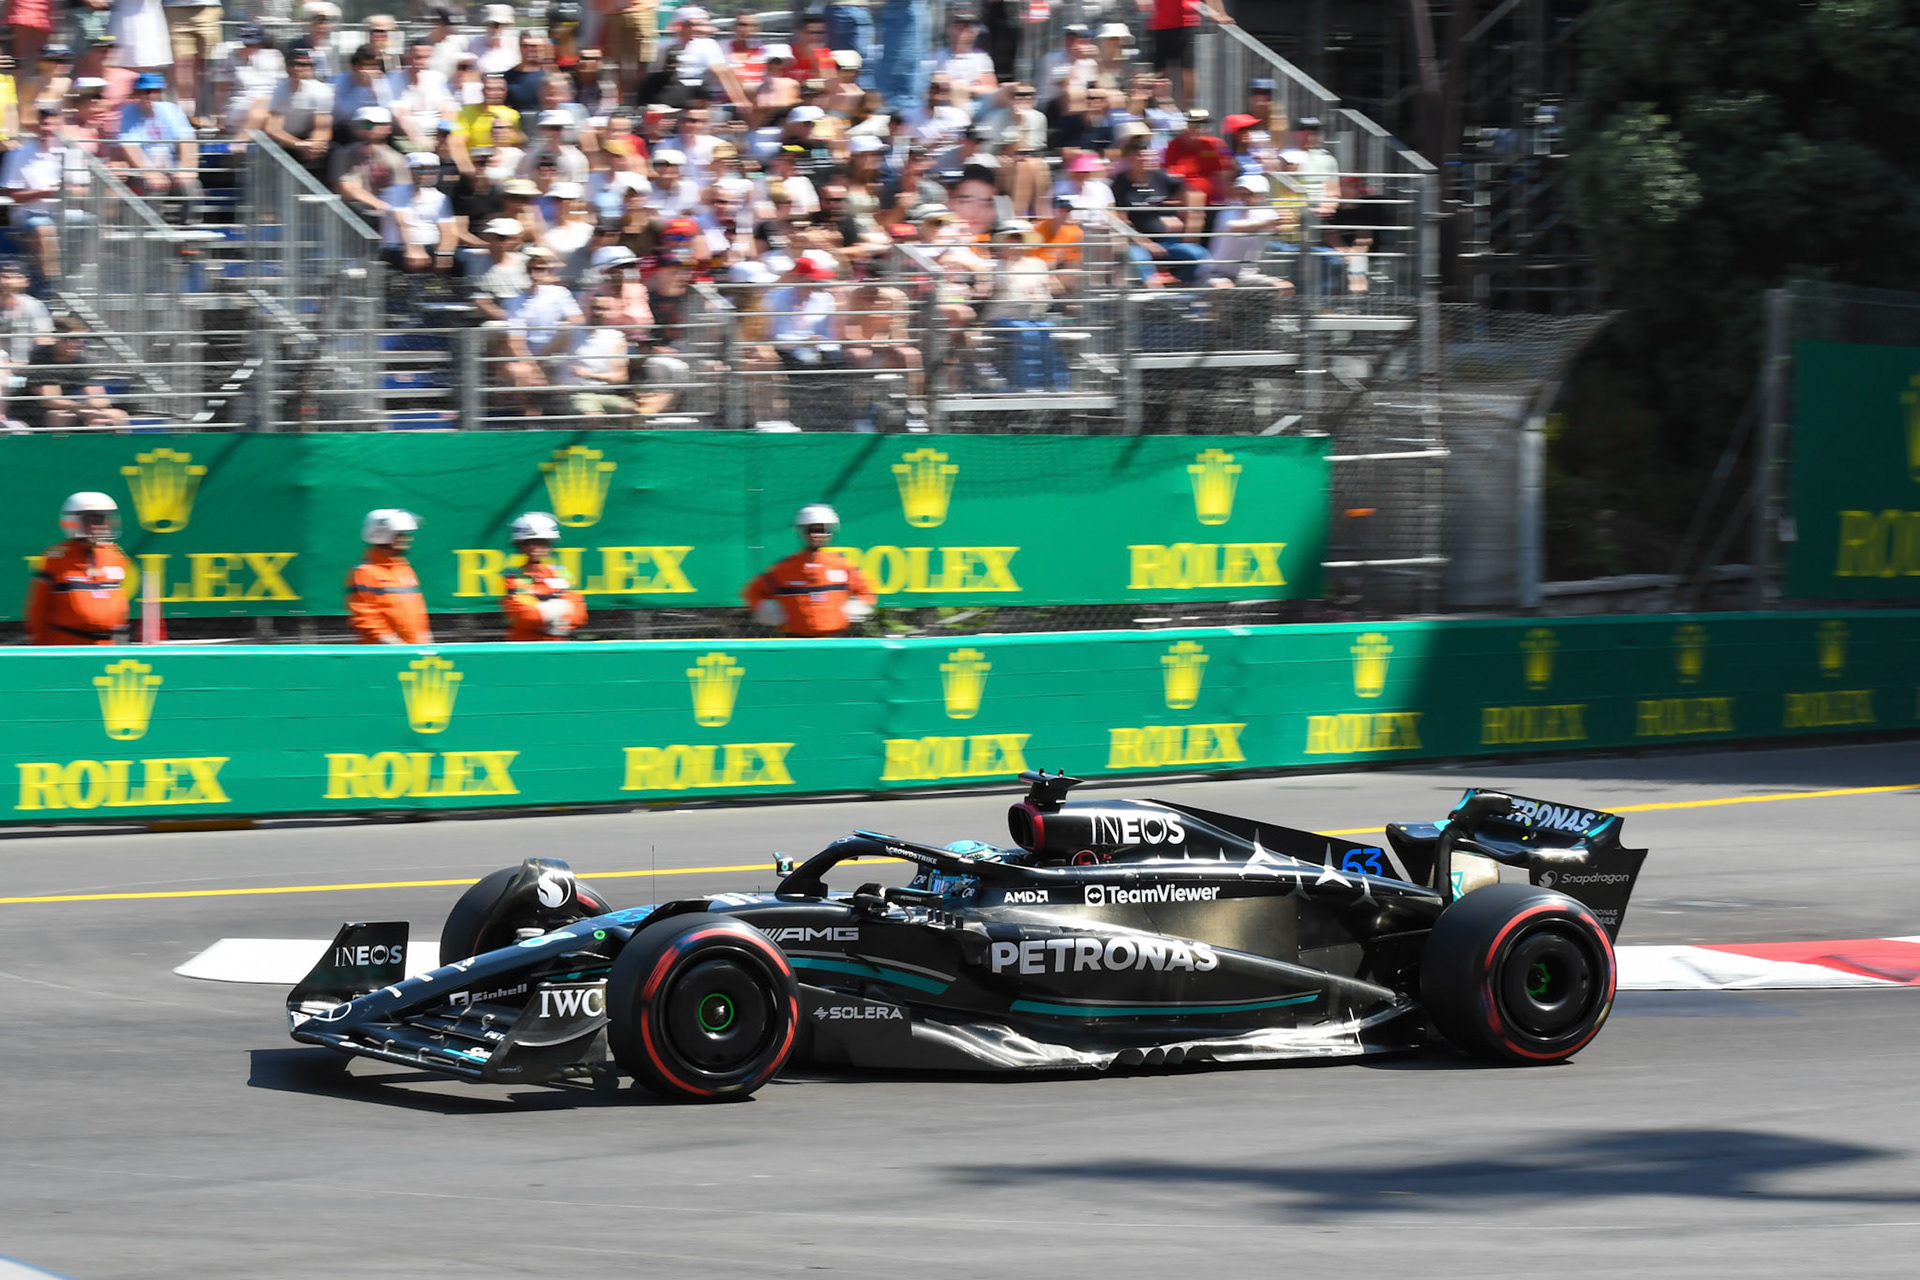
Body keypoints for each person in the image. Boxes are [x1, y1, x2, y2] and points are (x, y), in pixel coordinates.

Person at [743, 503, 875, 637]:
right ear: (801, 532)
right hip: (795, 641)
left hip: (835, 640)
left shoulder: (842, 565)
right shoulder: (783, 569)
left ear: (830, 532)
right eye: (810, 530)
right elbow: (753, 591)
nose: (815, 535)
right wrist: (765, 609)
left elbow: (865, 589)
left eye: (821, 530)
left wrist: (858, 607)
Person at [26, 493, 132, 644]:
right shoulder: (54, 559)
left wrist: (122, 645)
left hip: (109, 648)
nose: (99, 526)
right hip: (68, 647)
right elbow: (38, 611)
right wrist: (42, 651)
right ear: (73, 521)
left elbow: (120, 606)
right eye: (93, 520)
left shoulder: (115, 556)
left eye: (103, 519)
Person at [23, 316, 129, 429]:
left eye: (82, 338)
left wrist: (96, 403)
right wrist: (83, 409)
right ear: (57, 339)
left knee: (117, 415)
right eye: (73, 338)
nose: (79, 343)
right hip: (34, 411)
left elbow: (97, 395)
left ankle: (120, 446)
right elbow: (51, 400)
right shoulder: (41, 358)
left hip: (71, 408)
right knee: (60, 417)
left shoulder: (79, 360)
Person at [347, 508, 432, 644]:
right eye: (401, 534)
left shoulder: (404, 569)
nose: (408, 538)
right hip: (386, 657)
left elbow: (418, 611)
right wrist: (394, 647)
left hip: (412, 654)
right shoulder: (365, 572)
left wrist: (426, 641)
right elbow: (366, 618)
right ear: (385, 535)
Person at [500, 511, 586, 640]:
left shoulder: (562, 573)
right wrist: (560, 608)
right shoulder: (513, 577)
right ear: (519, 545)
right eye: (528, 542)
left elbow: (578, 616)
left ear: (550, 544)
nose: (535, 547)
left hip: (560, 647)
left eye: (542, 542)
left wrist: (541, 608)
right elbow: (526, 616)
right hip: (525, 648)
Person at [1147, 0, 1232, 109]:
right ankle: (1160, 109)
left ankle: (1186, 110)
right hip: (1159, 23)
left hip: (1186, 22)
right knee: (1160, 72)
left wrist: (1220, 13)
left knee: (1188, 70)